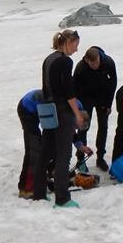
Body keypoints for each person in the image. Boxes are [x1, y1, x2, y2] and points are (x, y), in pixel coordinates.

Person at [32, 29, 86, 209]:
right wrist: (77, 114)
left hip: (47, 109)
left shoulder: (49, 59)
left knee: (46, 151)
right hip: (62, 110)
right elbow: (68, 91)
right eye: (76, 45)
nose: (76, 50)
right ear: (68, 42)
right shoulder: (65, 61)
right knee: (64, 154)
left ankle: (38, 193)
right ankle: (62, 199)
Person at [73, 46, 117, 171]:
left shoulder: (108, 62)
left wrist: (108, 103)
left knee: (103, 126)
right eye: (92, 64)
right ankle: (80, 158)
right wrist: (78, 109)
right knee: (83, 127)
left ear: (99, 58)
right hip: (85, 98)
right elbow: (74, 88)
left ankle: (100, 157)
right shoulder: (81, 67)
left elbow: (113, 82)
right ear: (87, 61)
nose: (95, 66)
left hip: (102, 97)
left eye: (97, 63)